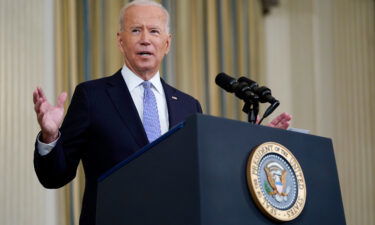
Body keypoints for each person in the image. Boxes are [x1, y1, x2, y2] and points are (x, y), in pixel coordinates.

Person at [32, 1, 291, 224]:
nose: (145, 38)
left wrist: (253, 145)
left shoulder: (189, 106)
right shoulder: (93, 96)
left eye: (154, 31)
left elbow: (207, 178)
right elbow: (55, 176)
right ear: (120, 41)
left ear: (166, 43)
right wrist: (50, 136)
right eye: (136, 30)